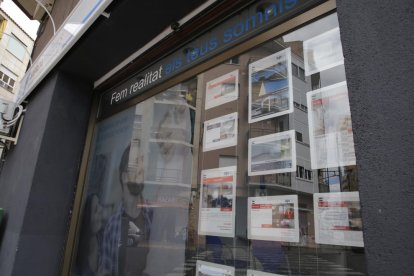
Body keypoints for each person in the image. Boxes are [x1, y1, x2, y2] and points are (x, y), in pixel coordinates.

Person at [97, 143, 151, 276]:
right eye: (136, 163)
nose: (141, 169)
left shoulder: (151, 216)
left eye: (142, 163)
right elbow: (105, 269)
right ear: (124, 176)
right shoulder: (112, 225)